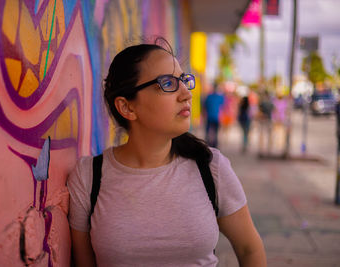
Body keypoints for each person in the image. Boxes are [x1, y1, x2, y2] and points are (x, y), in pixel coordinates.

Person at [67, 38, 267, 267]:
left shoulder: (210, 168)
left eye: (184, 81)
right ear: (127, 107)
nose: (186, 94)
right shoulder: (88, 177)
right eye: (168, 84)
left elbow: (249, 249)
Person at [203, 83, 224, 148]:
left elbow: (205, 106)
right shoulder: (220, 97)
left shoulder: (209, 96)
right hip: (215, 117)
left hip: (211, 117)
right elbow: (222, 106)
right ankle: (214, 145)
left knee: (209, 132)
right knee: (214, 132)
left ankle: (209, 144)